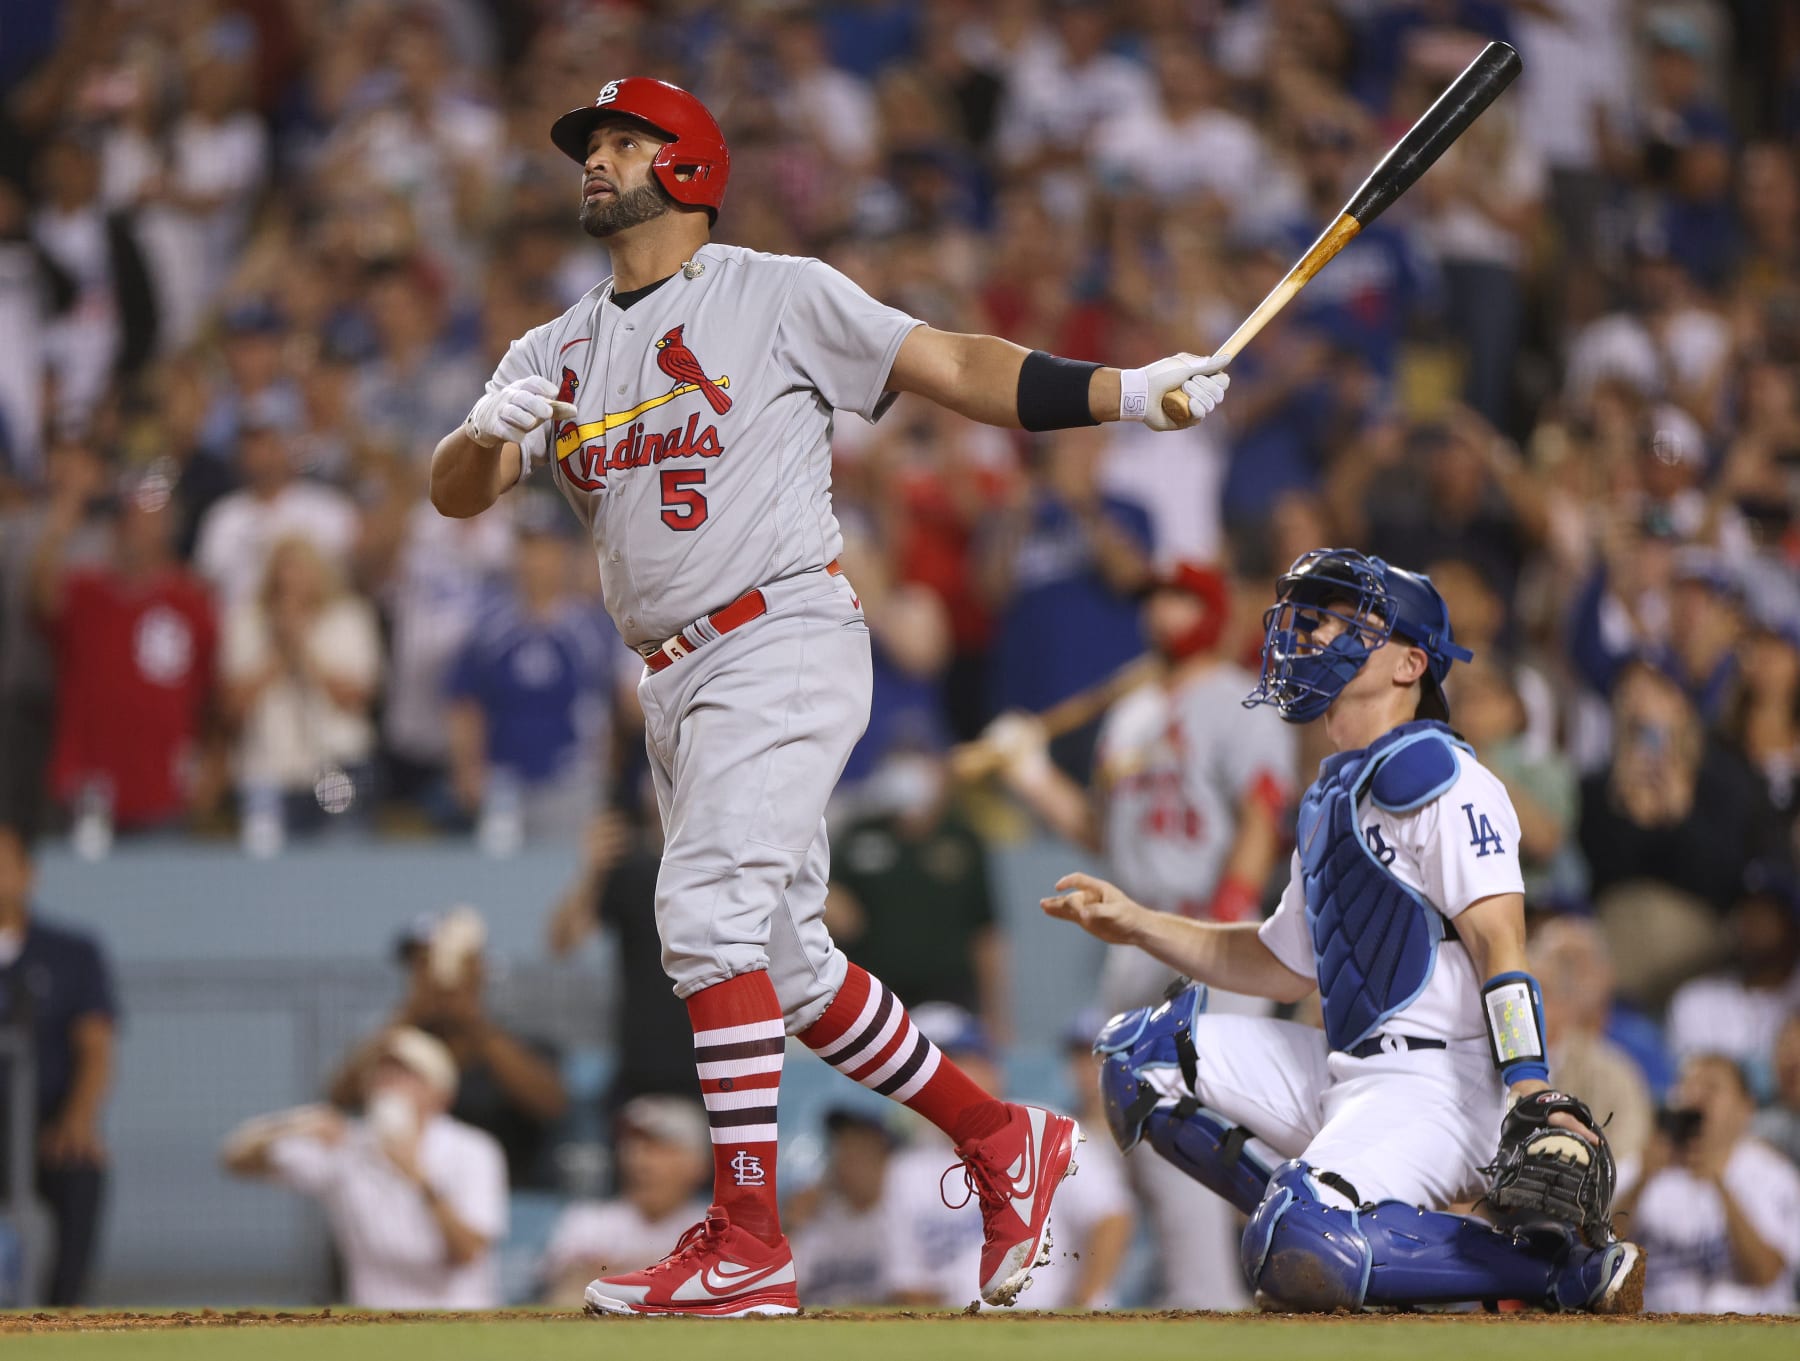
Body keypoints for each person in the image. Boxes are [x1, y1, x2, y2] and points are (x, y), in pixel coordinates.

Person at [428, 76, 1230, 1316]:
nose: (597, 158)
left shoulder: (775, 291)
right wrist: (483, 431)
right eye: (591, 143)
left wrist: (1123, 391)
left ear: (688, 164)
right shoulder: (557, 346)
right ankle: (1002, 1135)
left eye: (624, 140)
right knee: (791, 965)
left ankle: (748, 1237)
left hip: (779, 630)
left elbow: (955, 361)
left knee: (702, 912)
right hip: (674, 676)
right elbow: (455, 491)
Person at [1042, 548, 1645, 1313]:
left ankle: (1555, 1272)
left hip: (1444, 1086)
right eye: (1314, 619)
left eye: (1341, 622)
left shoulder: (1442, 776)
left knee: (1296, 1234)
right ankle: (1351, 1232)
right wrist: (1139, 924)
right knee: (1143, 1055)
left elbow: (1503, 945)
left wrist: (1529, 1084)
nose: (1313, 636)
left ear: (1409, 663)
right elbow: (1278, 962)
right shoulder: (1334, 790)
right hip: (1346, 1072)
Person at [981, 561, 1294, 1307]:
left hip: (1209, 927)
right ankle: (1209, 1302)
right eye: (1153, 597)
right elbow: (1104, 835)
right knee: (1157, 1131)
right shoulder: (1130, 714)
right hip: (1135, 937)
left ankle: (1273, 1285)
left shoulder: (1242, 699)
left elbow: (1262, 813)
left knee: (1218, 1124)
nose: (1163, 611)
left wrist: (1222, 923)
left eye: (1180, 595)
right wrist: (1031, 774)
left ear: (1212, 605)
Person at [222, 1026, 508, 1310]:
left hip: (458, 1316)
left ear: (440, 1095)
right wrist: (298, 1124)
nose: (388, 1083)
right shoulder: (347, 1143)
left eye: (406, 1074)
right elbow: (237, 1159)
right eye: (381, 1074)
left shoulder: (474, 1150)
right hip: (373, 1318)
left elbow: (468, 1252)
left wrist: (418, 1178)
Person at [329, 906, 567, 1190]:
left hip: (505, 1198)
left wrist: (472, 1021)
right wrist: (410, 1014)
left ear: (478, 971)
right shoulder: (395, 1048)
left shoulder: (516, 1043)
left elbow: (552, 1106)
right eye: (421, 966)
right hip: (401, 1195)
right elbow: (339, 1097)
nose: (436, 978)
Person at [0, 823, 118, 1306]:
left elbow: (96, 1047)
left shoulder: (72, 953)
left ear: (30, 874)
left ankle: (63, 1320)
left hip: (46, 1129)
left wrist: (77, 1119)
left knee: (81, 1171)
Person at [1612, 1054, 1800, 1314]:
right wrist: (1641, 1182)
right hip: (1653, 1329)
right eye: (1688, 1085)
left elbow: (1766, 1274)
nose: (1697, 1095)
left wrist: (1720, 1186)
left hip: (1749, 1330)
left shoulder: (1772, 1176)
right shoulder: (1639, 1168)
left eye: (1712, 1087)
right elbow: (1599, 1257)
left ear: (1746, 1108)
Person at [539, 1096, 710, 1306]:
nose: (641, 1160)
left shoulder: (717, 1225)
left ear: (698, 1163)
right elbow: (566, 1281)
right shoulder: (588, 1219)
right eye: (634, 1146)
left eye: (659, 1149)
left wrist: (619, 1270)